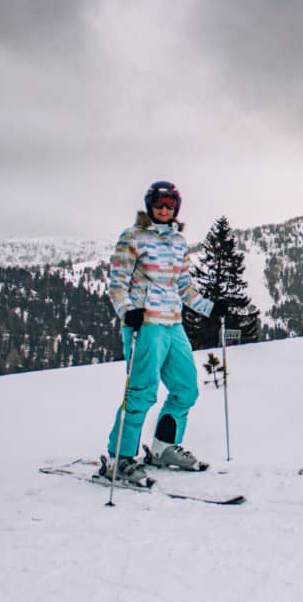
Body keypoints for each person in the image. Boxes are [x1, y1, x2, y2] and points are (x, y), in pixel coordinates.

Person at [99, 180, 225, 486]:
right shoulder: (133, 237)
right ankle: (119, 459)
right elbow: (116, 282)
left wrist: (212, 308)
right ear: (149, 205)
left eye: (170, 204)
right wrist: (127, 310)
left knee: (186, 389)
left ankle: (163, 448)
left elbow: (184, 287)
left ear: (176, 208)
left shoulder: (178, 242)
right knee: (142, 392)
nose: (164, 209)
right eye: (159, 203)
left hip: (173, 324)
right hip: (146, 326)